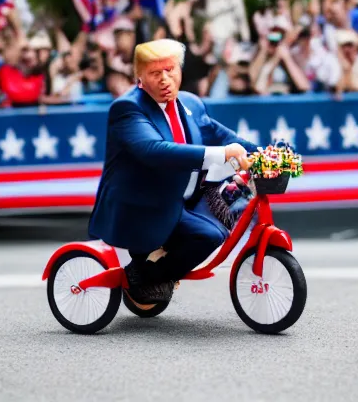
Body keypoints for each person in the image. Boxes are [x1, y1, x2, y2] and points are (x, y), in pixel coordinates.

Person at [88, 39, 258, 305]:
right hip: (144, 203)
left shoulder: (190, 102)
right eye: (156, 73)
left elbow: (221, 135)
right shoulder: (128, 108)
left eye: (170, 70)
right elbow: (154, 150)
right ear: (139, 77)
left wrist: (265, 153)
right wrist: (221, 154)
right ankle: (145, 276)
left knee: (236, 206)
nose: (165, 79)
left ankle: (163, 258)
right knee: (208, 235)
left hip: (183, 194)